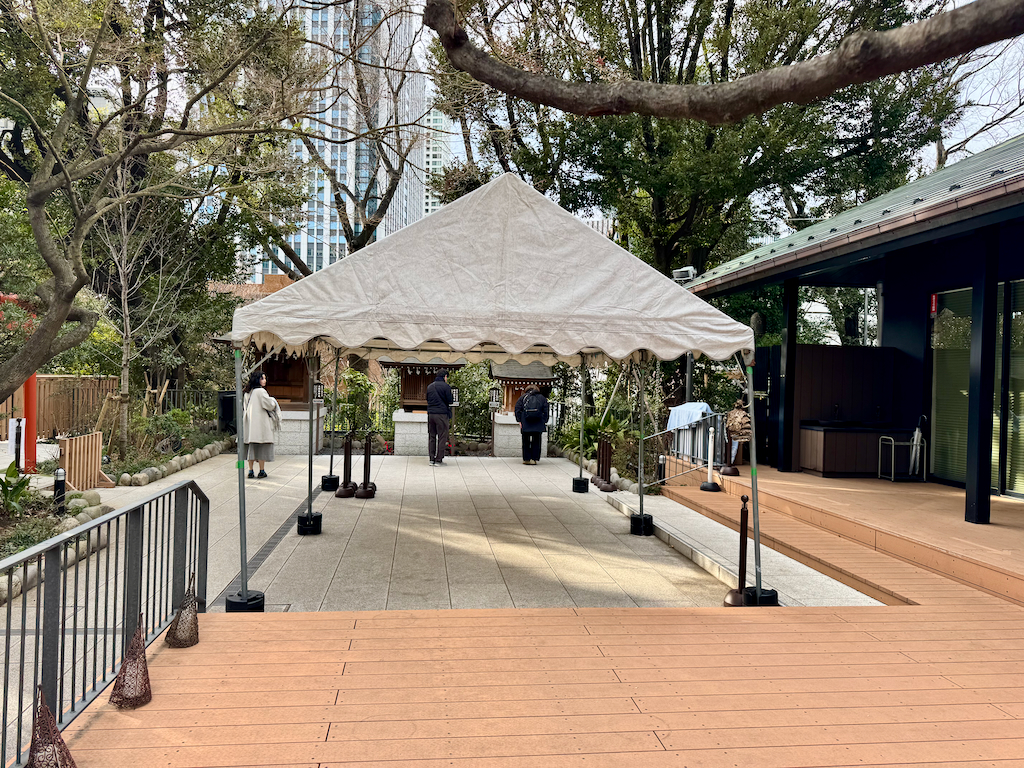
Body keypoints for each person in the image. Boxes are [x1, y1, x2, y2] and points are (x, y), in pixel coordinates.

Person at [243, 370, 281, 479]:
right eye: (263, 378)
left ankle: (250, 471)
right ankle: (261, 471)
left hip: (249, 424)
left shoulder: (247, 392)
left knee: (251, 448)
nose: (265, 380)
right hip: (260, 424)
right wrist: (273, 400)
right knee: (261, 448)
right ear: (258, 380)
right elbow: (269, 405)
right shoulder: (261, 392)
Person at [514, 384, 549, 465]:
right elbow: (546, 411)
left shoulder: (523, 397)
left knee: (525, 441)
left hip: (526, 422)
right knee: (536, 441)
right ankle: (534, 459)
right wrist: (544, 421)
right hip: (538, 422)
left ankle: (526, 459)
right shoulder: (542, 398)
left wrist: (520, 420)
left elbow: (517, 409)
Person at [425, 368, 453, 466]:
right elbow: (450, 401)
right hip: (441, 414)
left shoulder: (429, 387)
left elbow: (427, 399)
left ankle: (431, 459)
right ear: (445, 376)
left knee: (432, 436)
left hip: (431, 414)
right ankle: (438, 459)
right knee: (442, 436)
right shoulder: (446, 387)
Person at [725, 399, 751, 466]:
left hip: (730, 430)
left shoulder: (730, 413)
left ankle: (729, 461)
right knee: (734, 447)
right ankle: (731, 461)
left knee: (730, 446)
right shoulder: (743, 413)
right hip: (737, 431)